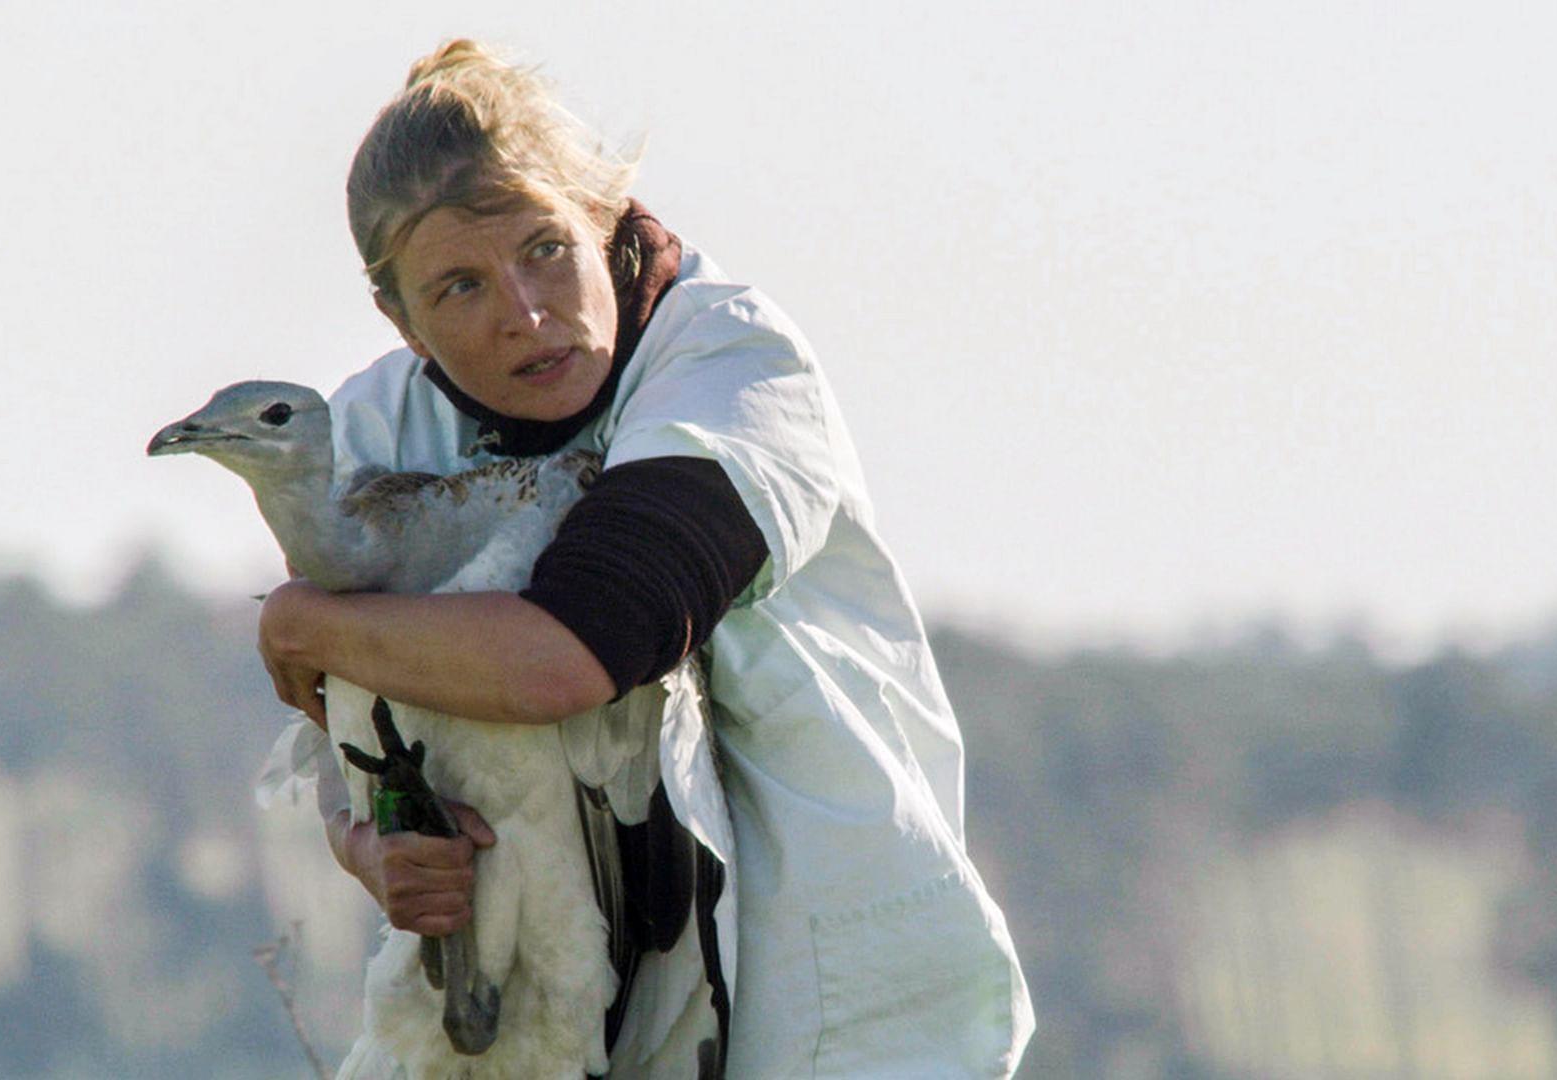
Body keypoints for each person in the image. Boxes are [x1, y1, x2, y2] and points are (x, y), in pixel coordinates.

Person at [256, 39, 1034, 1077]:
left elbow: (579, 647)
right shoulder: (373, 433)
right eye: (456, 288)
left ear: (605, 218)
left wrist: (304, 622)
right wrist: (377, 852)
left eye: (544, 249)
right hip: (568, 1020)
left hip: (838, 1008)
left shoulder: (731, 368)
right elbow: (351, 734)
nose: (523, 315)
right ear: (395, 315)